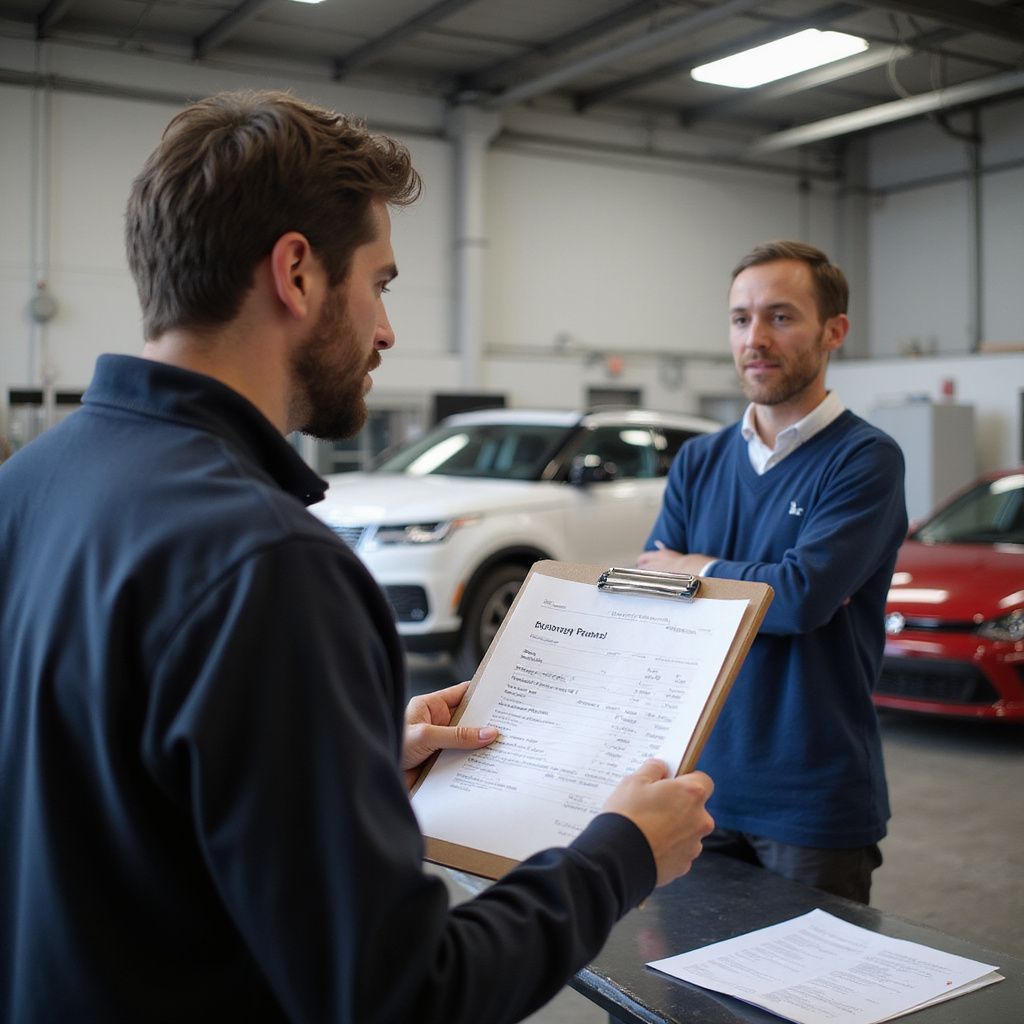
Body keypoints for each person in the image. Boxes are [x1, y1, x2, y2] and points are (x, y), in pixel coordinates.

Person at [0, 91, 715, 1024]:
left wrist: (356, 756)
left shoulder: (31, 485)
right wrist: (620, 852)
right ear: (296, 272)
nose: (386, 331)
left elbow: (111, 795)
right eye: (380, 283)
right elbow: (400, 995)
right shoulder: (269, 562)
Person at [638, 241, 906, 905]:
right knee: (676, 999)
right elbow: (651, 593)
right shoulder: (699, 461)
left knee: (799, 1007)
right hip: (695, 788)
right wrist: (742, 580)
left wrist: (694, 569)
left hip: (809, 802)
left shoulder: (865, 459)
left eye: (780, 317)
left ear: (833, 330)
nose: (754, 339)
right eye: (740, 319)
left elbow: (799, 598)